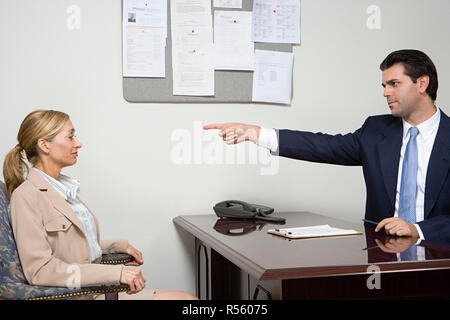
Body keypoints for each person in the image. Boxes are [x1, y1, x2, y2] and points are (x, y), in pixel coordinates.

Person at [204, 49, 450, 245]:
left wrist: (417, 230)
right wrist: (258, 133)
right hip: (382, 254)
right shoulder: (376, 131)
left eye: (394, 83)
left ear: (422, 84)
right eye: (384, 85)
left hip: (440, 254)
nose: (386, 92)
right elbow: (324, 146)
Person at [3, 109, 197, 300]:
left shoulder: (63, 188)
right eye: (70, 137)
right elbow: (40, 271)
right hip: (77, 295)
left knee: (188, 298)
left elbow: (69, 248)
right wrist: (115, 275)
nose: (78, 143)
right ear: (44, 145)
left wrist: (116, 246)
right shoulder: (26, 197)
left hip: (96, 290)